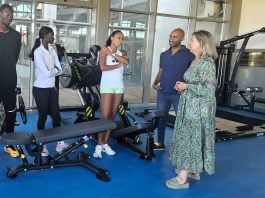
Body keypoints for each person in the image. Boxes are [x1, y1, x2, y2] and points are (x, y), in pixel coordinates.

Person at [165, 30, 218, 189]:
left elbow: (209, 91)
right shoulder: (195, 60)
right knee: (192, 139)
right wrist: (184, 87)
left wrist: (187, 86)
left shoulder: (207, 63)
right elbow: (197, 83)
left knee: (189, 140)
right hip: (190, 106)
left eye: (192, 41)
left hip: (198, 110)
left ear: (202, 44)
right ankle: (194, 170)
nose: (189, 43)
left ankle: (182, 179)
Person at [152, 28, 194, 150]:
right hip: (163, 93)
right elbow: (161, 70)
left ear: (182, 38)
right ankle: (160, 143)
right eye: (170, 36)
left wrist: (186, 87)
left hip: (179, 95)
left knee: (181, 121)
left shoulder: (189, 55)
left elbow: (192, 75)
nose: (171, 39)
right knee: (161, 119)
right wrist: (155, 83)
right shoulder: (163, 55)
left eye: (175, 37)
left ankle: (182, 146)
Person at [29, 26, 68, 157]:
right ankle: (42, 145)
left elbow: (60, 69)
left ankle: (60, 143)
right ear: (44, 37)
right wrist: (55, 70)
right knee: (43, 116)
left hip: (51, 88)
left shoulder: (52, 49)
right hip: (40, 89)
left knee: (56, 115)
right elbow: (47, 73)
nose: (54, 37)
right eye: (51, 35)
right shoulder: (37, 52)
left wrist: (55, 70)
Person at [93, 30, 129, 158]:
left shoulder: (121, 52)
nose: (121, 40)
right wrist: (118, 64)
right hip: (107, 86)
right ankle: (98, 145)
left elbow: (127, 62)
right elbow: (103, 67)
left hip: (119, 86)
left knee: (112, 115)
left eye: (122, 38)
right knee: (105, 115)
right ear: (112, 38)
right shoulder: (104, 50)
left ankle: (105, 143)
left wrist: (114, 55)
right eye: (118, 37)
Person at [0, 4, 21, 157]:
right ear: (0, 14)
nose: (10, 17)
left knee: (11, 112)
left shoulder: (16, 35)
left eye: (11, 15)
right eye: (7, 14)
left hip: (9, 80)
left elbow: (15, 57)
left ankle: (9, 143)